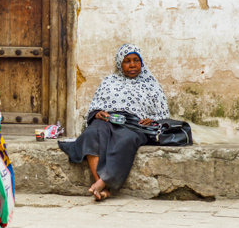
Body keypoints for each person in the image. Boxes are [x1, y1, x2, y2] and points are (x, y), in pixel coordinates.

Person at [58, 43, 170, 201]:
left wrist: (153, 120)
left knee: (126, 140)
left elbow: (163, 114)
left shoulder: (152, 85)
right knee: (91, 134)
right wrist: (98, 114)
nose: (132, 65)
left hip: (135, 125)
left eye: (136, 60)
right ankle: (102, 185)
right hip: (109, 120)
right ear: (120, 64)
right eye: (127, 61)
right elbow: (95, 106)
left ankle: (101, 183)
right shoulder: (109, 82)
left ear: (141, 63)